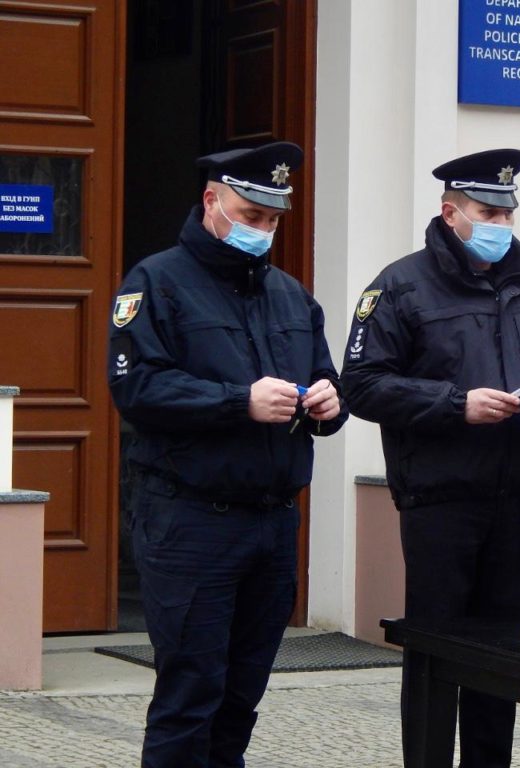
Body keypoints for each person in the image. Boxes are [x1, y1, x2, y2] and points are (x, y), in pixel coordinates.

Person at [341, 148, 520, 767]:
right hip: (440, 499)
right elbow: (361, 384)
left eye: (508, 214)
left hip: (516, 498)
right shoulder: (400, 285)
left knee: (505, 656)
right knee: (437, 655)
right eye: (488, 212)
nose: (501, 226)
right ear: (450, 212)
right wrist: (456, 404)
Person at [108, 141, 347, 768]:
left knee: (242, 696)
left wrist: (329, 403)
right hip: (190, 520)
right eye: (250, 215)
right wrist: (236, 401)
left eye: (272, 220)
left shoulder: (292, 296)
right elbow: (136, 387)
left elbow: (327, 381)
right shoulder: (156, 282)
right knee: (191, 694)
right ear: (211, 201)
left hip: (272, 522)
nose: (262, 230)